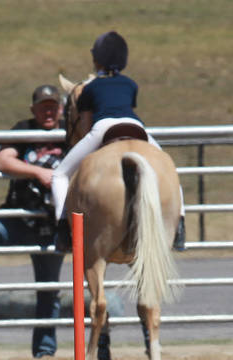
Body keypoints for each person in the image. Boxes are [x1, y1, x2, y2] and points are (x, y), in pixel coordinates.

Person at [51, 30, 185, 251]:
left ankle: (63, 227)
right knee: (169, 169)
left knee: (59, 174)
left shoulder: (89, 88)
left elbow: (85, 126)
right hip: (137, 127)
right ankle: (179, 225)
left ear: (96, 60)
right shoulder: (131, 84)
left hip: (103, 127)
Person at [0, 84, 66, 358]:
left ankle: (44, 354)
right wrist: (38, 173)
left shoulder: (70, 132)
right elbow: (3, 160)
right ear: (34, 110)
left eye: (53, 106)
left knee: (48, 288)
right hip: (18, 216)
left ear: (62, 109)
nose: (48, 111)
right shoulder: (24, 129)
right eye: (43, 106)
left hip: (53, 225)